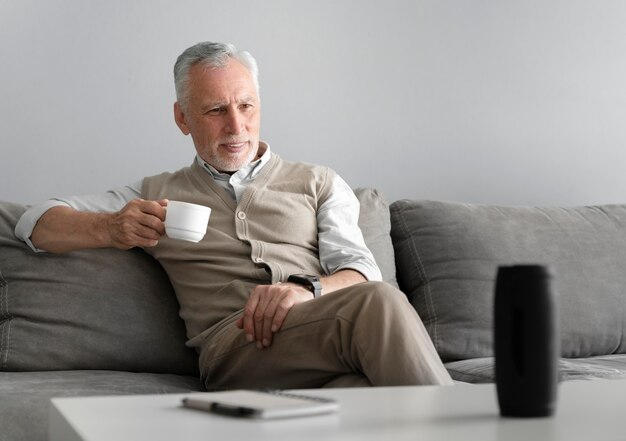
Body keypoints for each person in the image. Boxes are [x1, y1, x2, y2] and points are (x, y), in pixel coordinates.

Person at [15, 41, 453, 389]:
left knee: (377, 399)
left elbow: (360, 271)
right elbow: (34, 223)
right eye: (216, 110)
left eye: (246, 106)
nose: (237, 126)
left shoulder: (319, 181)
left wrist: (305, 289)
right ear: (182, 118)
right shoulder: (153, 194)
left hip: (321, 340)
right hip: (236, 351)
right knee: (379, 304)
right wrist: (109, 227)